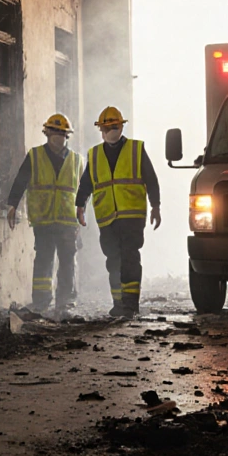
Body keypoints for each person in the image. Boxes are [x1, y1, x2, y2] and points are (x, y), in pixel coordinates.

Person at [75, 106, 161, 317]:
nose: (110, 131)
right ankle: (118, 303)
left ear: (122, 127)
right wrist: (80, 205)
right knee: (113, 259)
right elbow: (86, 183)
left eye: (114, 127)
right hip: (107, 218)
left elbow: (151, 179)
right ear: (101, 131)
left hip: (132, 216)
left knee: (129, 257)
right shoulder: (95, 154)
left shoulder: (136, 149)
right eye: (107, 128)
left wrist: (155, 206)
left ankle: (130, 305)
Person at [6, 114, 85, 313]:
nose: (59, 136)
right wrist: (12, 205)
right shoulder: (35, 156)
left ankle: (65, 302)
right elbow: (21, 180)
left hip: (68, 220)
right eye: (55, 131)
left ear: (67, 136)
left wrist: (82, 214)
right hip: (44, 220)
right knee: (44, 259)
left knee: (68, 261)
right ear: (47, 133)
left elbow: (83, 191)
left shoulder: (77, 160)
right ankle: (41, 302)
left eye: (62, 133)